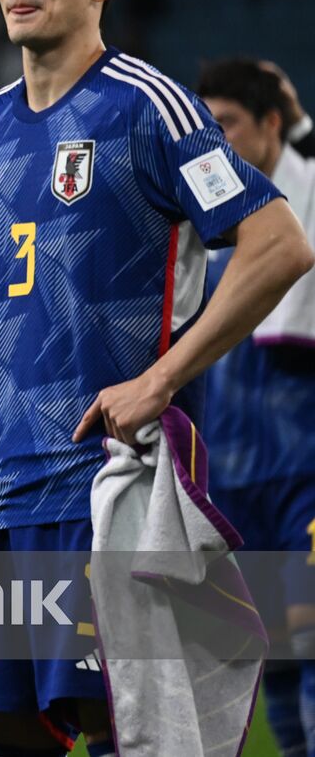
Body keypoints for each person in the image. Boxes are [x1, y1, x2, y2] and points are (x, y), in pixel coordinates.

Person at [0, 0, 314, 757]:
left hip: (105, 481)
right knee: (6, 727)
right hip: (1, 487)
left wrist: (161, 378)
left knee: (122, 721)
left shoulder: (147, 104)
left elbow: (279, 243)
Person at [196, 57, 315, 756]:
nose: (218, 141)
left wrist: (301, 123)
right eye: (207, 126)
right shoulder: (204, 216)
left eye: (229, 124)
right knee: (272, 660)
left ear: (271, 124)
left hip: (305, 467)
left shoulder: (304, 188)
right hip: (233, 475)